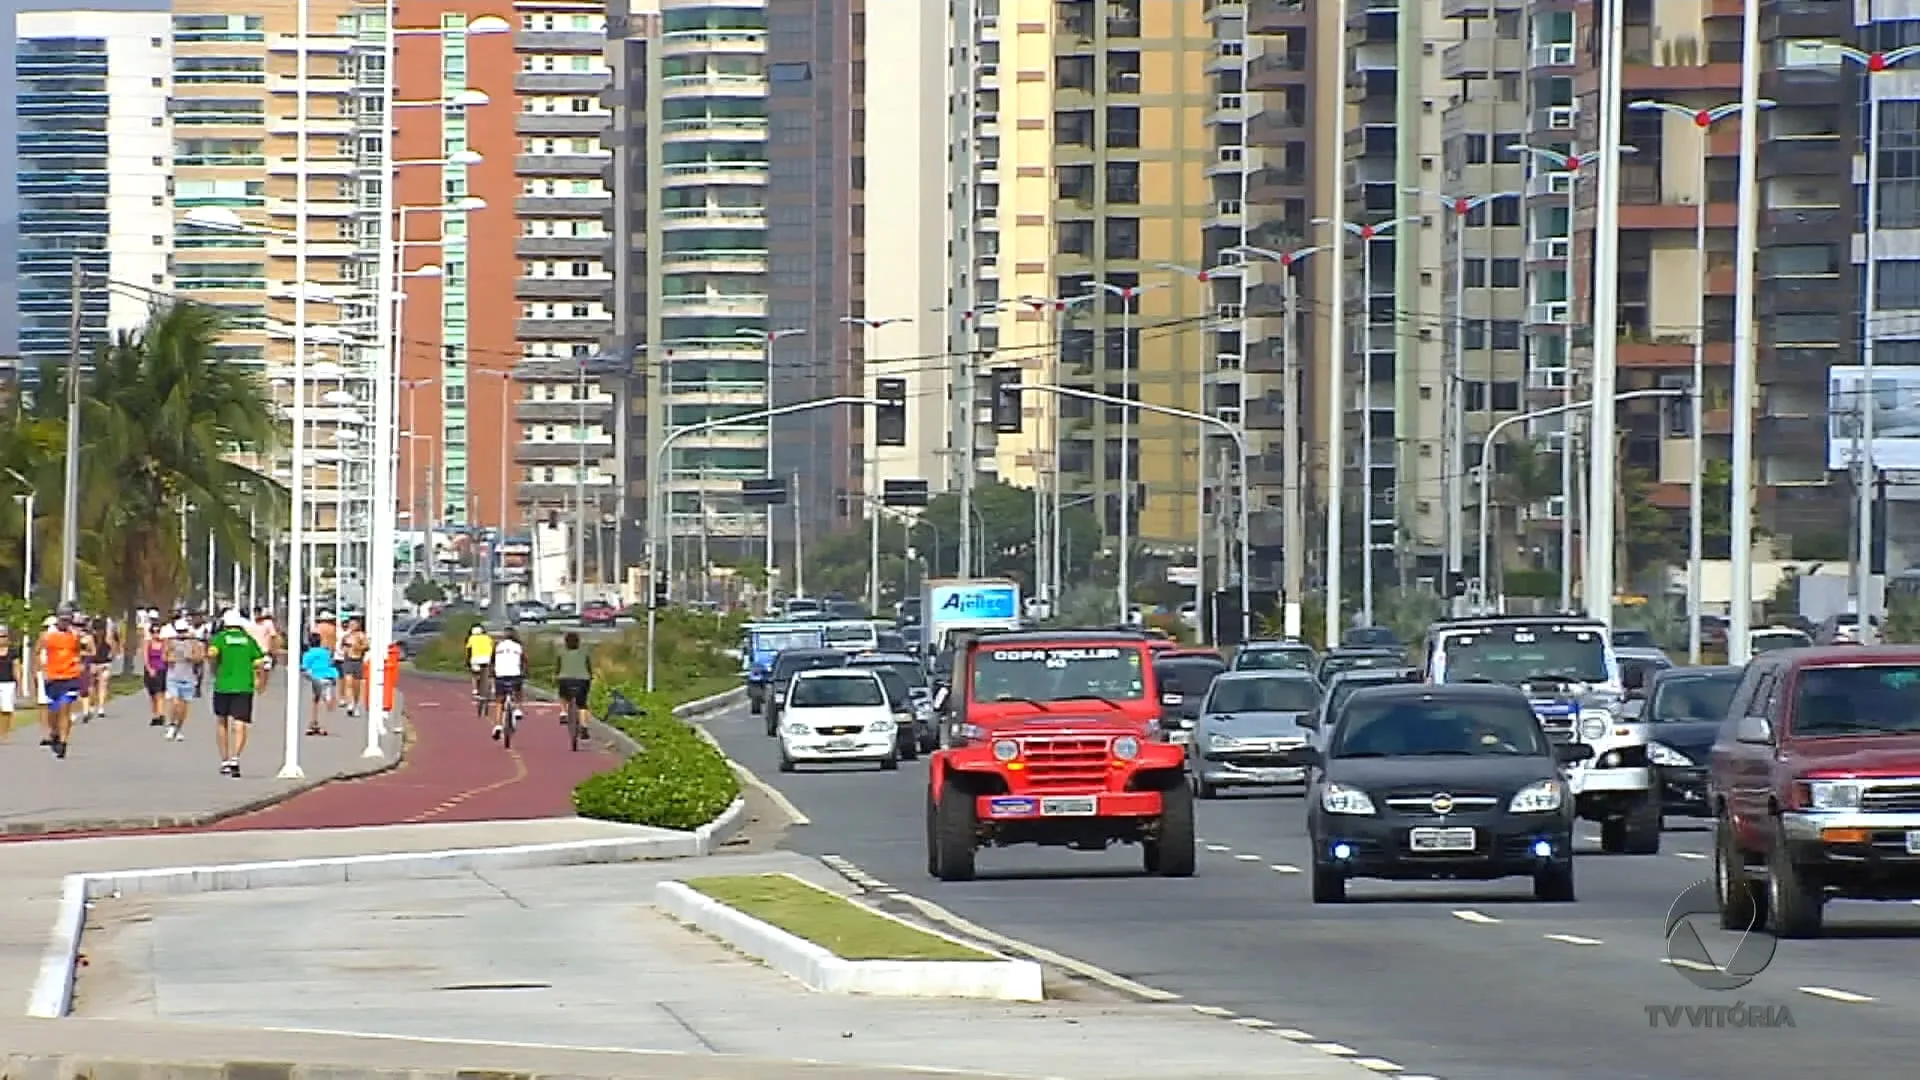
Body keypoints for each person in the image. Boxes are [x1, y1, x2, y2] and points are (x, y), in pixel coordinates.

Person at [207, 609, 266, 777]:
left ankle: (224, 760)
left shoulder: (220, 639)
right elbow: (259, 663)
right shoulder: (248, 641)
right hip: (244, 686)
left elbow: (211, 654)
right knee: (240, 722)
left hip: (223, 685)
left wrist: (215, 669)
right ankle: (235, 758)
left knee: (221, 721)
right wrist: (259, 681)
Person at [38, 607, 85, 759]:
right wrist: (40, 670)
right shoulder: (47, 636)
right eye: (63, 619)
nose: (65, 623)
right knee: (53, 711)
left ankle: (63, 743)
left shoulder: (74, 635)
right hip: (52, 677)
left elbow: (78, 651)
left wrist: (79, 664)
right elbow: (37, 652)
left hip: (70, 676)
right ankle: (55, 733)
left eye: (68, 620)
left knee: (65, 708)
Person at [160, 618, 202, 742]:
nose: (181, 635)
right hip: (173, 677)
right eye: (179, 632)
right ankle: (171, 726)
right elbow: (164, 656)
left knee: (184, 707)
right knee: (175, 702)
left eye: (183, 631)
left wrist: (192, 657)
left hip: (188, 677)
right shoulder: (170, 642)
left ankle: (179, 728)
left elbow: (200, 657)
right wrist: (169, 659)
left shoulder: (193, 642)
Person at [489, 626, 526, 741]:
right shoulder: (518, 646)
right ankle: (518, 709)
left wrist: (492, 673)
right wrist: (525, 672)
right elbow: (524, 660)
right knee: (518, 691)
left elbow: (492, 661)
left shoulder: (498, 646)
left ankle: (498, 725)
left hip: (500, 675)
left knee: (499, 701)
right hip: (515, 675)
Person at [299, 633, 339, 735]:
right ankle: (321, 724)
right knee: (324, 700)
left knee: (316, 700)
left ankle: (314, 723)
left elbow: (304, 667)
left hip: (317, 677)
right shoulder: (325, 652)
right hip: (328, 676)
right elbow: (330, 663)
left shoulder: (308, 654)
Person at [555, 631, 593, 725]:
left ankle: (563, 712)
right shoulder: (585, 653)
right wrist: (591, 676)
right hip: (583, 680)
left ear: (566, 642)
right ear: (578, 642)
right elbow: (588, 668)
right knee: (582, 704)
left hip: (565, 680)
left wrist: (556, 676)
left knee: (563, 695)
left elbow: (558, 669)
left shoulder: (561, 653)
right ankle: (584, 725)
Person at [337, 617, 368, 718]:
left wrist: (357, 647)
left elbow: (366, 646)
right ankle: (350, 703)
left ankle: (355, 704)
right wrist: (345, 648)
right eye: (350, 624)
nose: (352, 626)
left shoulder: (361, 635)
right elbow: (341, 646)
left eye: (354, 624)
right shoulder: (346, 636)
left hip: (358, 661)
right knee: (348, 682)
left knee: (356, 685)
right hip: (348, 660)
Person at [86, 616, 114, 722]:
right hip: (93, 663)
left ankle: (101, 707)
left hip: (104, 663)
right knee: (91, 686)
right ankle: (92, 704)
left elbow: (113, 651)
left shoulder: (108, 639)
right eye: (96, 630)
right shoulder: (90, 639)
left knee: (103, 685)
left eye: (101, 630)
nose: (98, 632)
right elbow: (87, 652)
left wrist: (109, 661)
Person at [142, 617, 168, 726]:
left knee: (160, 693)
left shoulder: (164, 643)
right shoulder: (147, 643)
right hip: (151, 670)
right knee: (152, 695)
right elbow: (145, 658)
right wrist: (149, 669)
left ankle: (161, 715)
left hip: (161, 670)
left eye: (158, 631)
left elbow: (166, 656)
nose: (156, 634)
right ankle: (155, 714)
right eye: (154, 632)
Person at [465, 622, 494, 699]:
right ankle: (492, 689)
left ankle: (475, 690)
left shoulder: (471, 638)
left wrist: (467, 661)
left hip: (475, 659)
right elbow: (492, 648)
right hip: (486, 658)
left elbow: (468, 650)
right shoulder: (487, 637)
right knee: (488, 675)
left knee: (474, 675)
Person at [0, 626, 17, 742]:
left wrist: (18, 682)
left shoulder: (12, 652)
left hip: (8, 682)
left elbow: (17, 668)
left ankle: (4, 733)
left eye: (4, 636)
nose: (2, 639)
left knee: (7, 709)